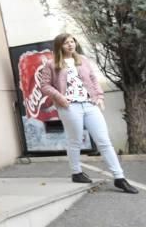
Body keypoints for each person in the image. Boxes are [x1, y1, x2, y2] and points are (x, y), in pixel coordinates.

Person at [40, 33, 138, 194]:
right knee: (75, 140)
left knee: (104, 141)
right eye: (66, 43)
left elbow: (93, 80)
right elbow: (44, 86)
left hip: (90, 104)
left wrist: (99, 97)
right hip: (69, 107)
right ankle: (76, 172)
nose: (70, 45)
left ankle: (119, 178)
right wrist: (60, 98)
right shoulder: (52, 64)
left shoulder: (82, 60)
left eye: (72, 41)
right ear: (59, 46)